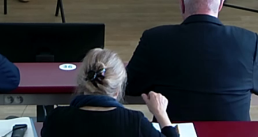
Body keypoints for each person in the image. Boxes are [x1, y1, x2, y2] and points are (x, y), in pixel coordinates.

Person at [125, 0, 258, 121]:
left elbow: (129, 86)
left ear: (181, 3)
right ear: (221, 2)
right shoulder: (248, 41)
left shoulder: (154, 40)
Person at [42, 48, 178, 137]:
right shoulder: (135, 123)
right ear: (118, 89)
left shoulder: (56, 119)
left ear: (82, 83)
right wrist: (161, 114)